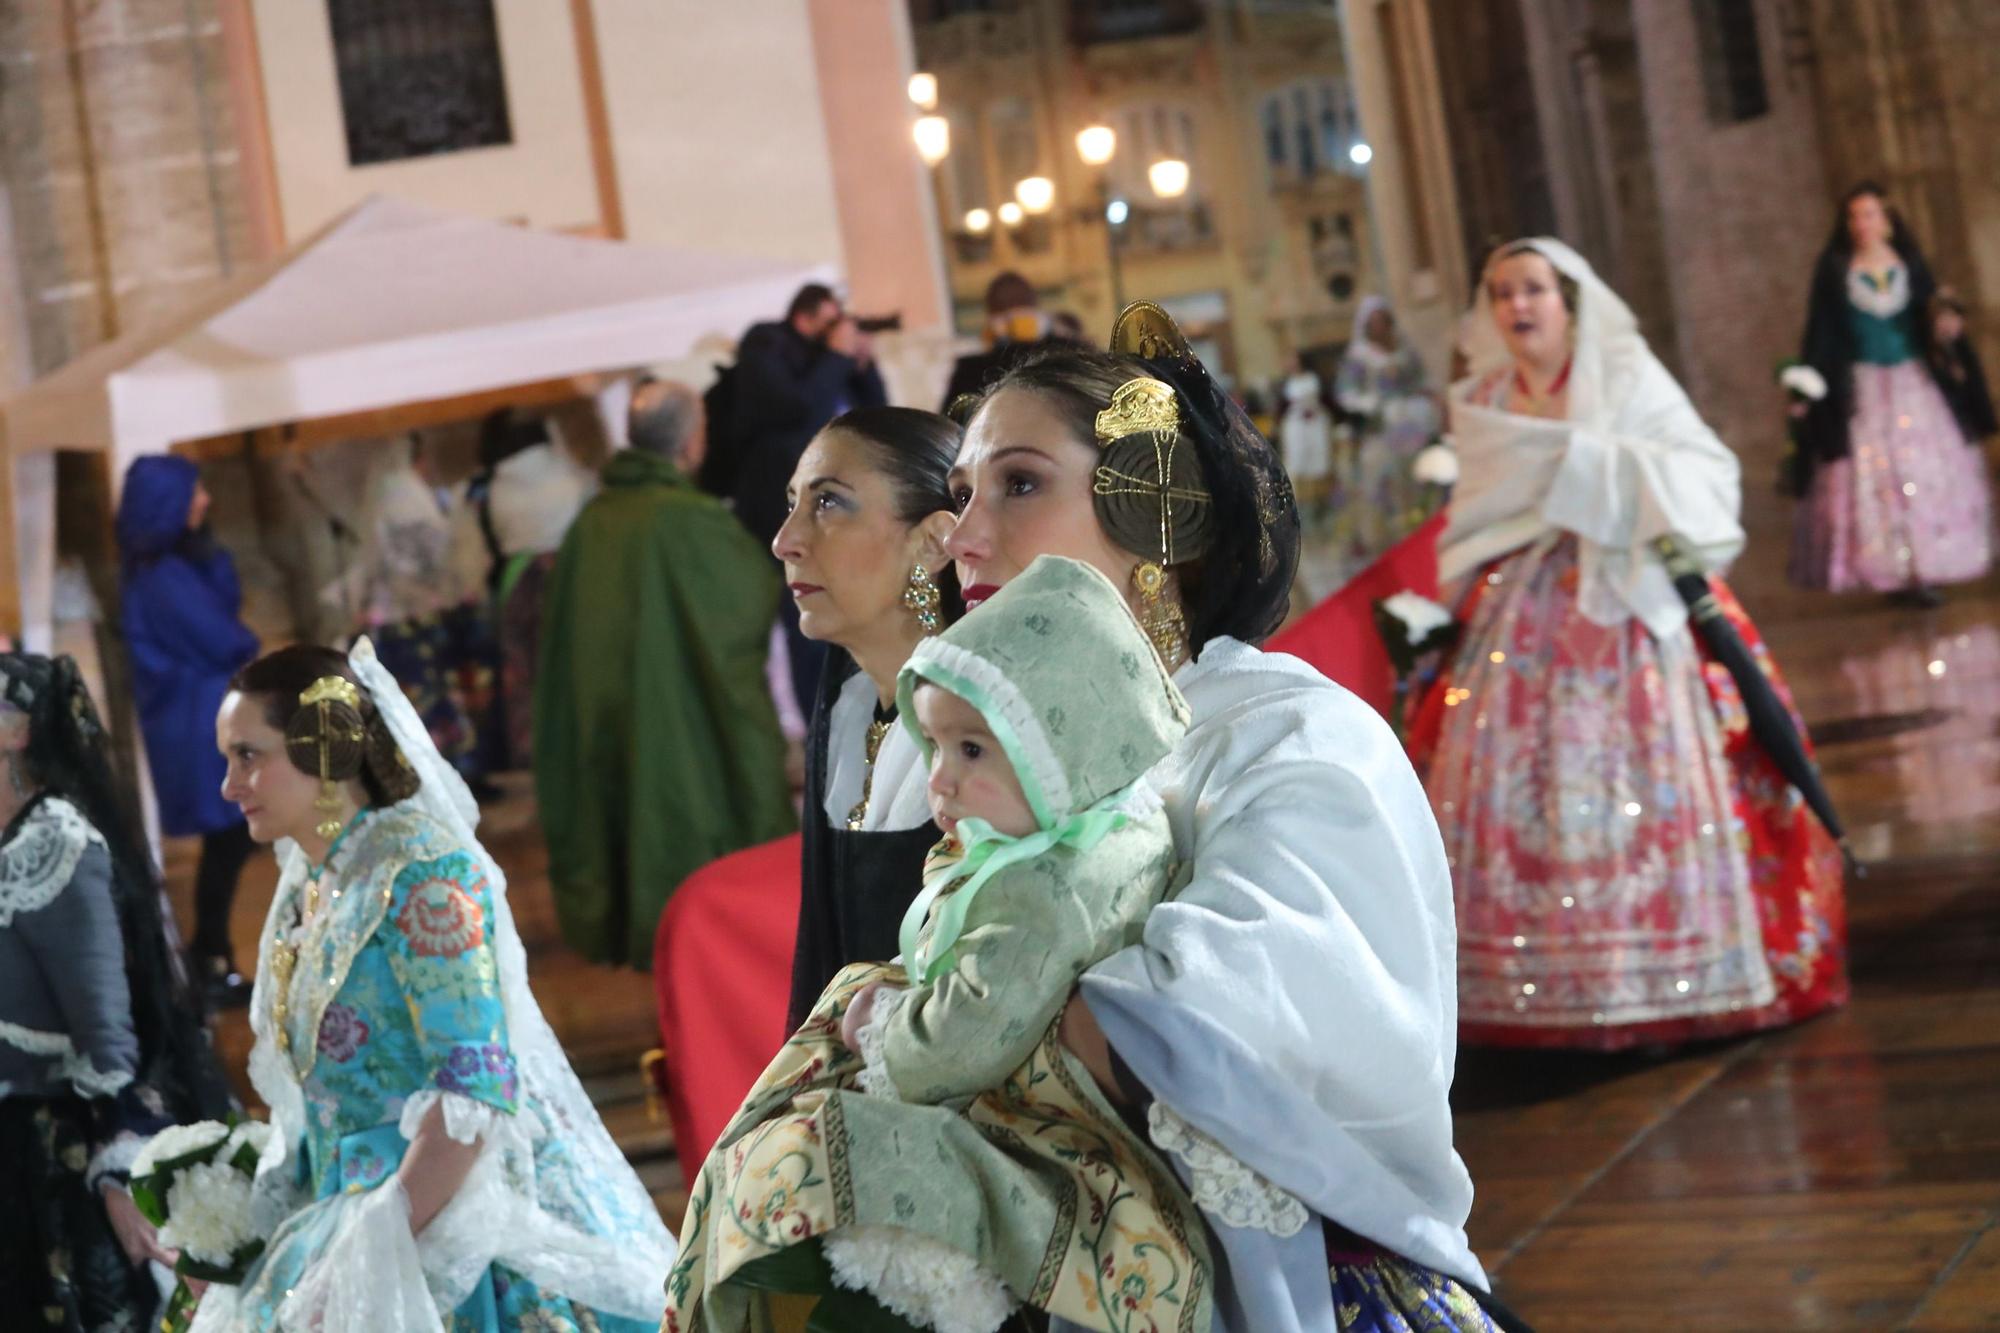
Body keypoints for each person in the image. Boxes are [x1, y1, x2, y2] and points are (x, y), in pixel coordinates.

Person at [839, 303, 1502, 1331]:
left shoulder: (1290, 736)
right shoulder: (997, 756)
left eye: (1019, 484)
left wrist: (934, 1031)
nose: (962, 535)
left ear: (1154, 515)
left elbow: (1205, 1027)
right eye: (960, 493)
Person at [669, 556, 1218, 1333]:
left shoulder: (1047, 889)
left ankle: (935, 1285)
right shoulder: (1095, 827)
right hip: (1030, 1099)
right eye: (934, 744)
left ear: (1066, 745)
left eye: (973, 750)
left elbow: (961, 1044)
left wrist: (882, 1023)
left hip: (1040, 1135)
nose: (942, 782)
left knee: (822, 1146)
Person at [1410, 237, 1848, 1053]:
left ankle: (1679, 976)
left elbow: (1704, 472)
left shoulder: (1625, 375)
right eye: (1503, 292)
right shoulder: (1487, 399)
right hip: (1524, 615)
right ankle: (1529, 985)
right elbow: (1477, 515)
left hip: (1635, 598)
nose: (1518, 306)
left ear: (1567, 301)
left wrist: (1588, 471)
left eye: (1534, 289)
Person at [193, 641, 673, 1331]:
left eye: (248, 755)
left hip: (430, 1213)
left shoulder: (426, 876)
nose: (229, 786)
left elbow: (472, 1096)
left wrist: (366, 1262)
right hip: (339, 1214)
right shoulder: (310, 881)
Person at [2, 652, 235, 1332]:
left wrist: (120, 1168)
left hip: (50, 1159)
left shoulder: (54, 841)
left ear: (19, 733)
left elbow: (107, 1027)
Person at [535, 381, 795, 968]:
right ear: (692, 441)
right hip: (686, 729)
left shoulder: (590, 527)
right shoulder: (694, 523)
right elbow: (750, 599)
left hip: (614, 722)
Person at [776, 406, 963, 1027]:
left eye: (828, 504)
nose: (786, 541)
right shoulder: (850, 713)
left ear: (933, 541)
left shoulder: (990, 732)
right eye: (795, 503)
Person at [1790, 181, 1995, 604]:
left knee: (1925, 470)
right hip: (1864, 386)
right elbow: (1822, 331)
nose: (1861, 224)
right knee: (1876, 479)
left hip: (1913, 383)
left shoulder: (1910, 264)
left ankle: (1929, 564)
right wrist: (1806, 386)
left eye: (1869, 215)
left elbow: (1931, 314)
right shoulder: (1835, 268)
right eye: (1853, 216)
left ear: (1886, 221)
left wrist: (1946, 324)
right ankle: (1892, 570)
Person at [117, 454, 261, 1006]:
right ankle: (209, 958)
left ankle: (211, 954)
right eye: (194, 491)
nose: (204, 499)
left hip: (194, 719)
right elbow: (225, 638)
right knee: (227, 838)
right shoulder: (164, 576)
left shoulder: (164, 567)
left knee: (228, 839)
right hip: (197, 725)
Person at [729, 284, 889, 718]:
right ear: (811, 316)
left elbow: (878, 419)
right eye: (834, 320)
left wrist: (862, 364)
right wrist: (836, 357)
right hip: (791, 520)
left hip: (848, 516)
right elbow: (798, 415)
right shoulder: (767, 345)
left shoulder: (829, 364)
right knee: (810, 630)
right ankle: (822, 721)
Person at [340, 438, 499, 792]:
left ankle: (425, 779)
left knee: (414, 706)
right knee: (435, 701)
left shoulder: (385, 497)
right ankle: (452, 779)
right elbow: (429, 561)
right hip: (416, 621)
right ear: (416, 459)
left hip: (394, 622)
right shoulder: (407, 498)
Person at [462, 409, 596, 770]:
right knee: (578, 672)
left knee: (528, 680)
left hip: (518, 583)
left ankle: (540, 757)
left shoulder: (489, 489)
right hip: (569, 577)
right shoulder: (569, 474)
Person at [1337, 296, 1442, 561]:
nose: (1380, 326)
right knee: (1379, 482)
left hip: (1411, 425)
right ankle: (1382, 542)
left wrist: (1425, 396)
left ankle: (1418, 532)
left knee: (1416, 480)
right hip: (1380, 428)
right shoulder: (1358, 357)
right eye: (1374, 322)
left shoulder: (1404, 349)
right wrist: (1372, 405)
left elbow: (1421, 378)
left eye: (1383, 321)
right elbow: (1346, 393)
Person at [939, 271, 1062, 411]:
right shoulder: (1063, 355)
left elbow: (950, 419)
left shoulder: (970, 370)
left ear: (991, 314)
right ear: (1034, 305)